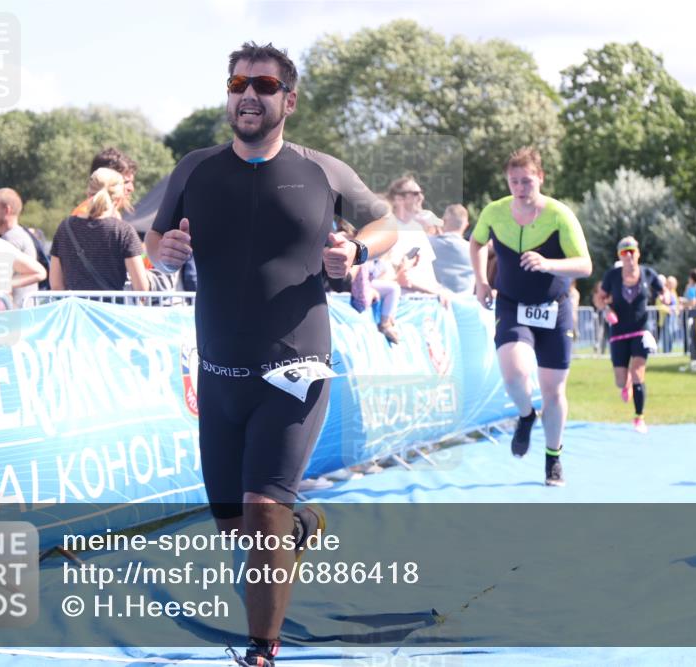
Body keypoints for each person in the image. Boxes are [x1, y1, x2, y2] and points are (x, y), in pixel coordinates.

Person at [144, 42, 396, 667]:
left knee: (260, 511)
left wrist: (358, 252)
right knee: (237, 524)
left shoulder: (322, 171)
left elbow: (387, 222)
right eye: (236, 83)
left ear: (289, 98)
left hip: (296, 371)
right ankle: (301, 527)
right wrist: (164, 253)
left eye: (262, 84)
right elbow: (152, 240)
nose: (247, 94)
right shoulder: (195, 168)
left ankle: (262, 651)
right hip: (221, 373)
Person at [469, 146, 592, 486]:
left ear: (541, 178)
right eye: (514, 182)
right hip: (512, 304)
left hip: (555, 308)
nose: (521, 188)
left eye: (527, 181)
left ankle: (553, 459)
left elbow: (585, 265)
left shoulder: (559, 215)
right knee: (514, 375)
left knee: (554, 391)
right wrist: (481, 281)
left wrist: (549, 264)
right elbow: (476, 243)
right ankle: (525, 415)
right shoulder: (494, 212)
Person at [598, 237, 664, 433]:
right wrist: (606, 310)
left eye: (632, 251)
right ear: (620, 256)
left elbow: (662, 290)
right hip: (618, 333)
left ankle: (639, 418)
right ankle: (625, 384)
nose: (628, 256)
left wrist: (666, 296)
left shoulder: (648, 274)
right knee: (620, 380)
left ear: (638, 253)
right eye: (624, 252)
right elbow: (599, 298)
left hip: (640, 331)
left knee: (637, 373)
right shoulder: (612, 275)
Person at [51, 168, 150, 292]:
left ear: (88, 194)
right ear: (119, 199)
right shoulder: (123, 231)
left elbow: (56, 284)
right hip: (109, 309)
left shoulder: (65, 228)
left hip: (74, 309)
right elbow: (141, 287)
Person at [385, 176, 451, 305]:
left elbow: (428, 274)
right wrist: (434, 292)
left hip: (427, 305)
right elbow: (400, 276)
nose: (421, 197)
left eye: (421, 193)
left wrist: (440, 290)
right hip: (403, 306)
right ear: (399, 199)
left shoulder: (417, 229)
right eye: (415, 193)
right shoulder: (388, 229)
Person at [0, 188, 39, 307]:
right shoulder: (17, 235)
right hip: (22, 308)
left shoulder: (11, 239)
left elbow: (2, 278)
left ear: (7, 210)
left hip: (16, 310)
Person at [429, 204, 475, 295]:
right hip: (466, 303)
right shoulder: (474, 250)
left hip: (437, 302)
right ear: (466, 225)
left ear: (443, 221)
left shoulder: (427, 243)